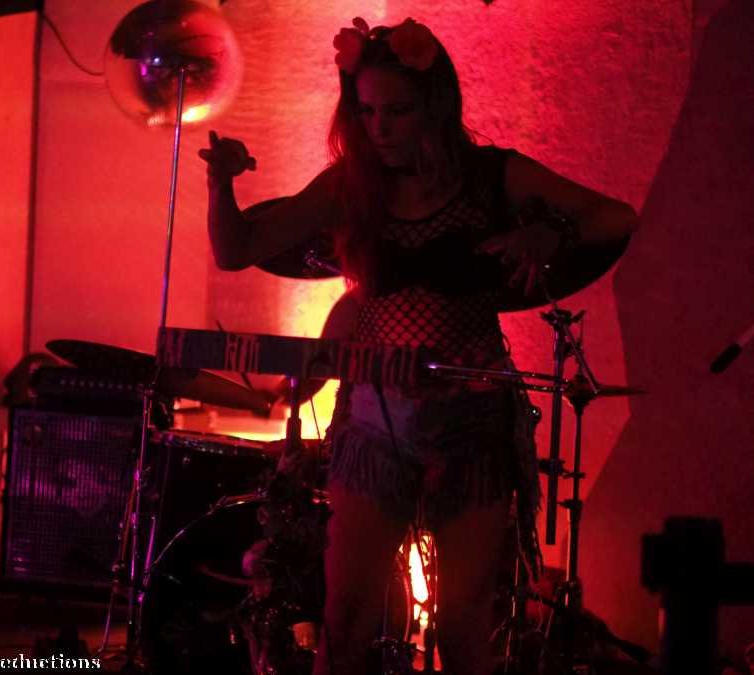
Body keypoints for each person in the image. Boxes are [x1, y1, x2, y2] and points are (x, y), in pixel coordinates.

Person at [199, 16, 638, 675]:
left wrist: (550, 236)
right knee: (345, 623)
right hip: (376, 423)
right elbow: (237, 250)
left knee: (464, 632)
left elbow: (616, 218)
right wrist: (221, 184)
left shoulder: (492, 177)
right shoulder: (350, 186)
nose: (380, 127)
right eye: (367, 110)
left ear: (435, 106)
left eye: (397, 111)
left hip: (473, 421)